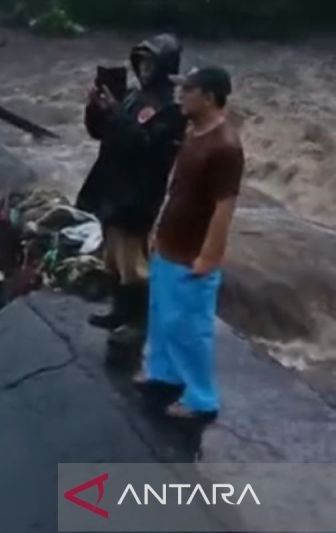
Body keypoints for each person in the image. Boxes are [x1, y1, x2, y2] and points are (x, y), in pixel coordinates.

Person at [140, 66, 244, 420]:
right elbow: (178, 189)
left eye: (189, 90)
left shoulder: (225, 146)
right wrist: (158, 231)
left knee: (189, 328)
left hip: (191, 253)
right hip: (170, 242)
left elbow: (224, 206)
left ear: (210, 97)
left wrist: (209, 256)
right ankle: (163, 375)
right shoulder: (195, 132)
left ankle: (201, 400)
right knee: (162, 316)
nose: (181, 95)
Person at [77, 34, 186, 354]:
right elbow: (103, 132)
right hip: (112, 188)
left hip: (137, 196)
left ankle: (139, 324)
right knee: (113, 258)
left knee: (133, 264)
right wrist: (97, 110)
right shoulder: (133, 97)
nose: (146, 68)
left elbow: (148, 148)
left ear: (165, 67)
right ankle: (119, 312)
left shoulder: (171, 111)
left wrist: (117, 114)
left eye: (153, 62)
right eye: (143, 61)